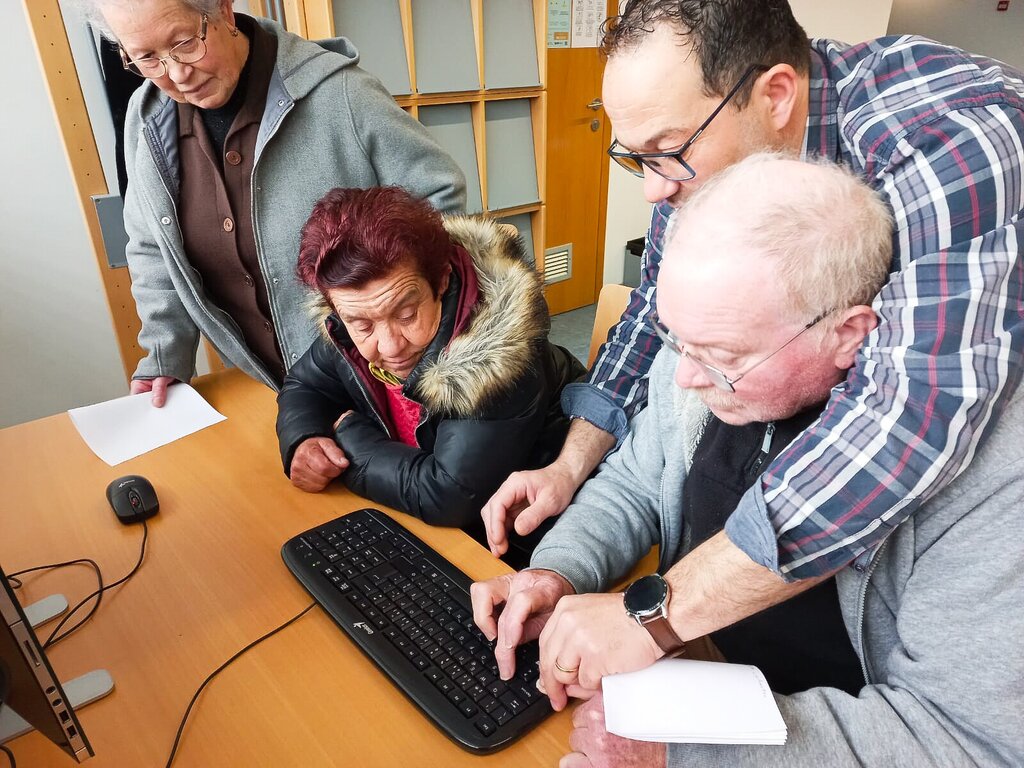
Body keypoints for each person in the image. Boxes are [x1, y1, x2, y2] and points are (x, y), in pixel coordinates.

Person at [481, 0, 1024, 691]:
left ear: (775, 96)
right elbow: (652, 319)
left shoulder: (948, 139)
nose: (653, 187)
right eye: (633, 157)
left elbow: (905, 422)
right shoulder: (715, 179)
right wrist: (568, 468)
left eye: (669, 151)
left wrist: (656, 616)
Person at [473, 154, 1024, 767]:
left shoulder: (993, 476)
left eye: (721, 354)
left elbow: (963, 742)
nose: (684, 375)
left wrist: (689, 751)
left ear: (848, 333)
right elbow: (633, 481)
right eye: (677, 340)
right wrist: (560, 574)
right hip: (683, 668)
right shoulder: (702, 346)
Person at [75, 0, 466, 404]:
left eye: (185, 42)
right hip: (271, 388)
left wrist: (401, 325)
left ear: (223, 11)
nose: (175, 74)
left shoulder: (339, 92)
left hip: (384, 376)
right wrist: (164, 354)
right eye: (146, 58)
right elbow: (153, 247)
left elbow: (437, 196)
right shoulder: (147, 118)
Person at [276, 187, 584, 556]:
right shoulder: (345, 322)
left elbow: (449, 495)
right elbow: (304, 384)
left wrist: (347, 435)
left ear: (442, 279)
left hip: (526, 539)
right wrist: (303, 438)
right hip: (421, 516)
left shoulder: (497, 357)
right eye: (361, 324)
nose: (389, 346)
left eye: (406, 315)